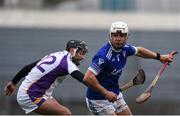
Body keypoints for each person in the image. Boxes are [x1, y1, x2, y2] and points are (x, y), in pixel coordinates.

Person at [83, 21, 174, 115]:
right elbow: (88, 77)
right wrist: (106, 93)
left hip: (115, 94)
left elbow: (140, 51)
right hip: (98, 100)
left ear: (126, 37)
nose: (118, 39)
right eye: (115, 35)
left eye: (121, 35)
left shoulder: (125, 49)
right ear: (109, 36)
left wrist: (159, 57)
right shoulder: (103, 56)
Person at [4, 40, 88, 115]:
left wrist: (13, 82)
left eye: (83, 54)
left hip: (34, 92)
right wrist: (98, 87)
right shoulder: (67, 62)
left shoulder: (56, 55)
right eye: (80, 53)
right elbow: (82, 78)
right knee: (65, 113)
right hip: (31, 94)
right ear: (72, 50)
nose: (82, 57)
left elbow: (28, 67)